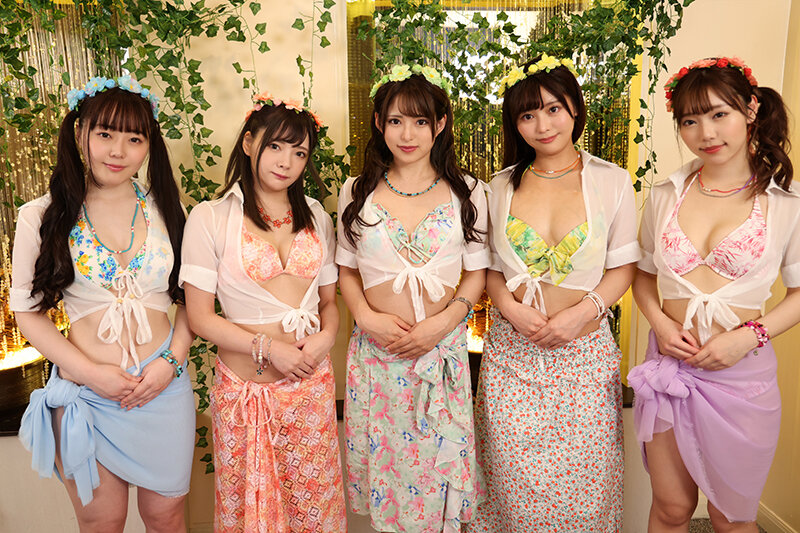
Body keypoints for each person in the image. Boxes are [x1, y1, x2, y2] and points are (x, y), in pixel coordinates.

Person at [11, 76, 194, 532]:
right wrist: (93, 375)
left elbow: (193, 300)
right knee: (102, 521)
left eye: (135, 138)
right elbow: (27, 313)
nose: (118, 151)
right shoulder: (41, 215)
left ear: (149, 145)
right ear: (80, 134)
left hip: (162, 387)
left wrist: (171, 362)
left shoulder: (168, 209)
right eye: (105, 134)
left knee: (166, 517)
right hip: (87, 395)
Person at [467, 54, 640, 532]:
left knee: (585, 489)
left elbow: (623, 267)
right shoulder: (498, 186)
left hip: (584, 356)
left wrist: (582, 313)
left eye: (553, 109)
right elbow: (490, 269)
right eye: (527, 114)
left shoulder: (611, 180)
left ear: (574, 108)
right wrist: (508, 308)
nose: (542, 125)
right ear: (514, 123)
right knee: (510, 490)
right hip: (511, 358)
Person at [628, 56, 800, 532]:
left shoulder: (787, 202)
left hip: (742, 377)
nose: (706, 133)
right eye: (690, 121)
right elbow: (642, 275)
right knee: (671, 509)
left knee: (731, 517)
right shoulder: (665, 194)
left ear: (751, 109)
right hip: (671, 370)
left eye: (719, 114)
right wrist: (661, 325)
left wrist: (748, 337)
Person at [181, 92, 346, 532]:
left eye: (299, 152)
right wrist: (270, 349)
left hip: (310, 388)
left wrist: (326, 338)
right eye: (275, 146)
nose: (286, 162)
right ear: (249, 142)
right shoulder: (211, 217)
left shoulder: (316, 216)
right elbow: (200, 317)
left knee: (315, 510)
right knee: (249, 515)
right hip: (245, 393)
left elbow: (330, 303)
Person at [336, 64, 488, 533]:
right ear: (379, 123)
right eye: (396, 121)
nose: (408, 134)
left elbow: (477, 274)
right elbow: (346, 270)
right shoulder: (356, 191)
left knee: (440, 484)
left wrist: (442, 325)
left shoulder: (469, 191)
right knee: (391, 490)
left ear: (439, 125)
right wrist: (365, 317)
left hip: (440, 355)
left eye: (420, 121)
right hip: (377, 359)